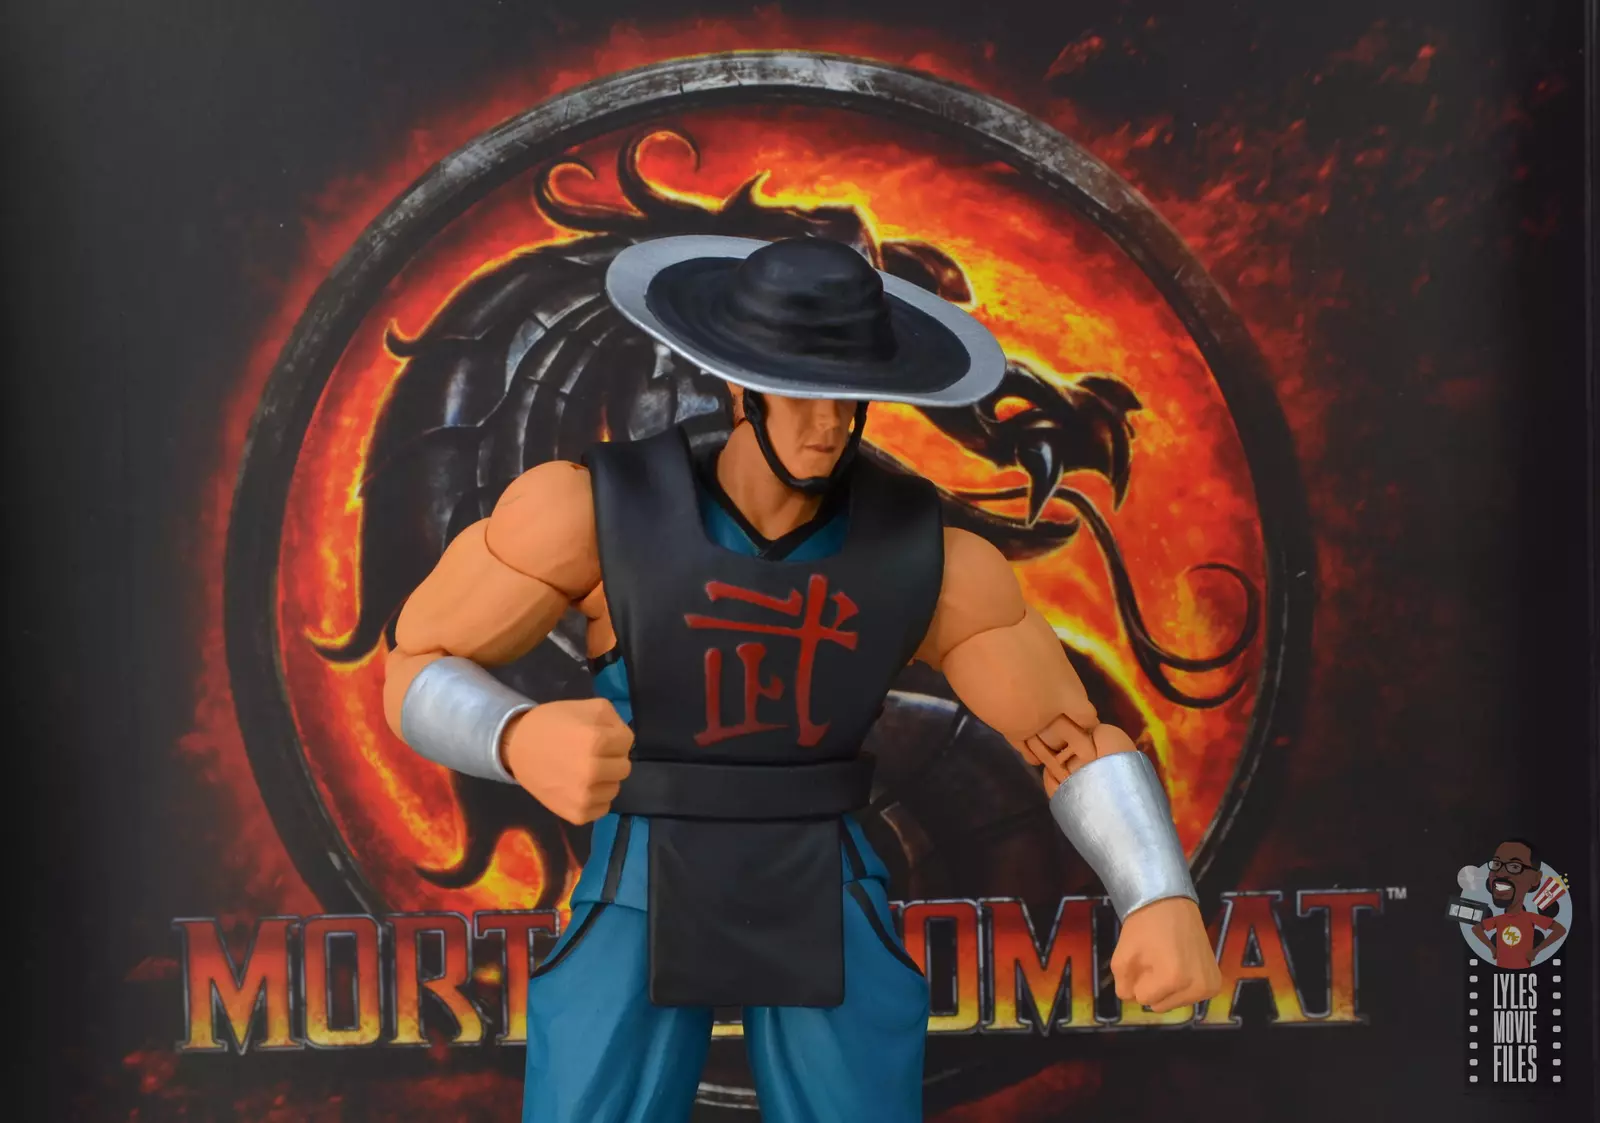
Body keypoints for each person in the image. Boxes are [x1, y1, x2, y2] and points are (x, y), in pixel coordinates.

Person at [384, 234, 1222, 1122]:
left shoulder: (932, 559)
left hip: (824, 872)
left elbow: (1067, 738)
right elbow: (414, 664)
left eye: (850, 396)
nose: (827, 425)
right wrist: (512, 736)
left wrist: (1156, 889)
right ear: (738, 385)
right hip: (643, 872)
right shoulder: (588, 510)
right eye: (798, 392)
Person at [1472, 838, 1566, 970]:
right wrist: (1492, 948)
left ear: (1535, 878)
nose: (1500, 873)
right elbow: (1476, 929)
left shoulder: (1530, 918)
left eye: (1515, 866)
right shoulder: (1499, 920)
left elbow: (1560, 930)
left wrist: (1537, 950)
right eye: (1496, 864)